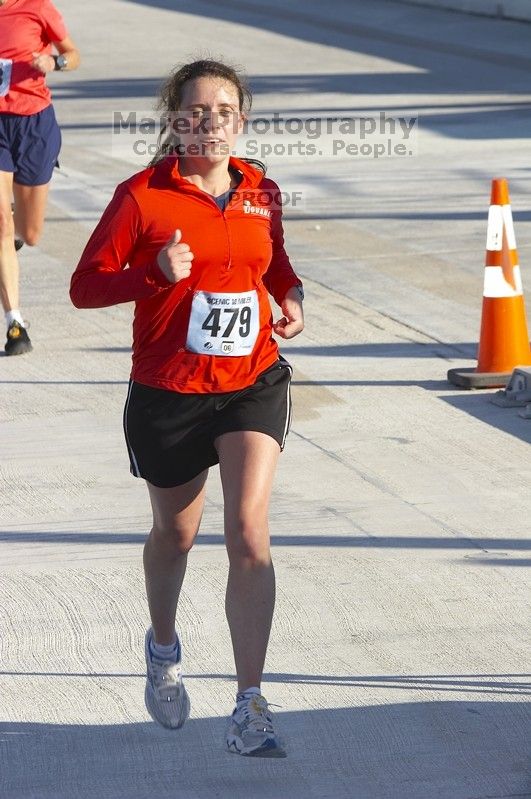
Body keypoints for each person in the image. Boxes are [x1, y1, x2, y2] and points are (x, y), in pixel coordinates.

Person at [70, 58, 304, 758]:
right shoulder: (141, 197)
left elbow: (277, 264)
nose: (210, 123)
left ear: (243, 119)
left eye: (223, 111)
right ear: (173, 120)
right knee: (174, 537)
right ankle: (163, 647)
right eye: (195, 112)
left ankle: (249, 703)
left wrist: (290, 297)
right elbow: (85, 286)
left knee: (248, 534)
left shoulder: (262, 190)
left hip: (250, 382)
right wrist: (150, 273)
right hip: (168, 392)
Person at [0, 0, 80, 355]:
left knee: (29, 234)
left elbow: (73, 54)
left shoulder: (36, 8)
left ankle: (15, 235)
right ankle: (15, 323)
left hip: (33, 124)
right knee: (1, 224)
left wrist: (55, 62)